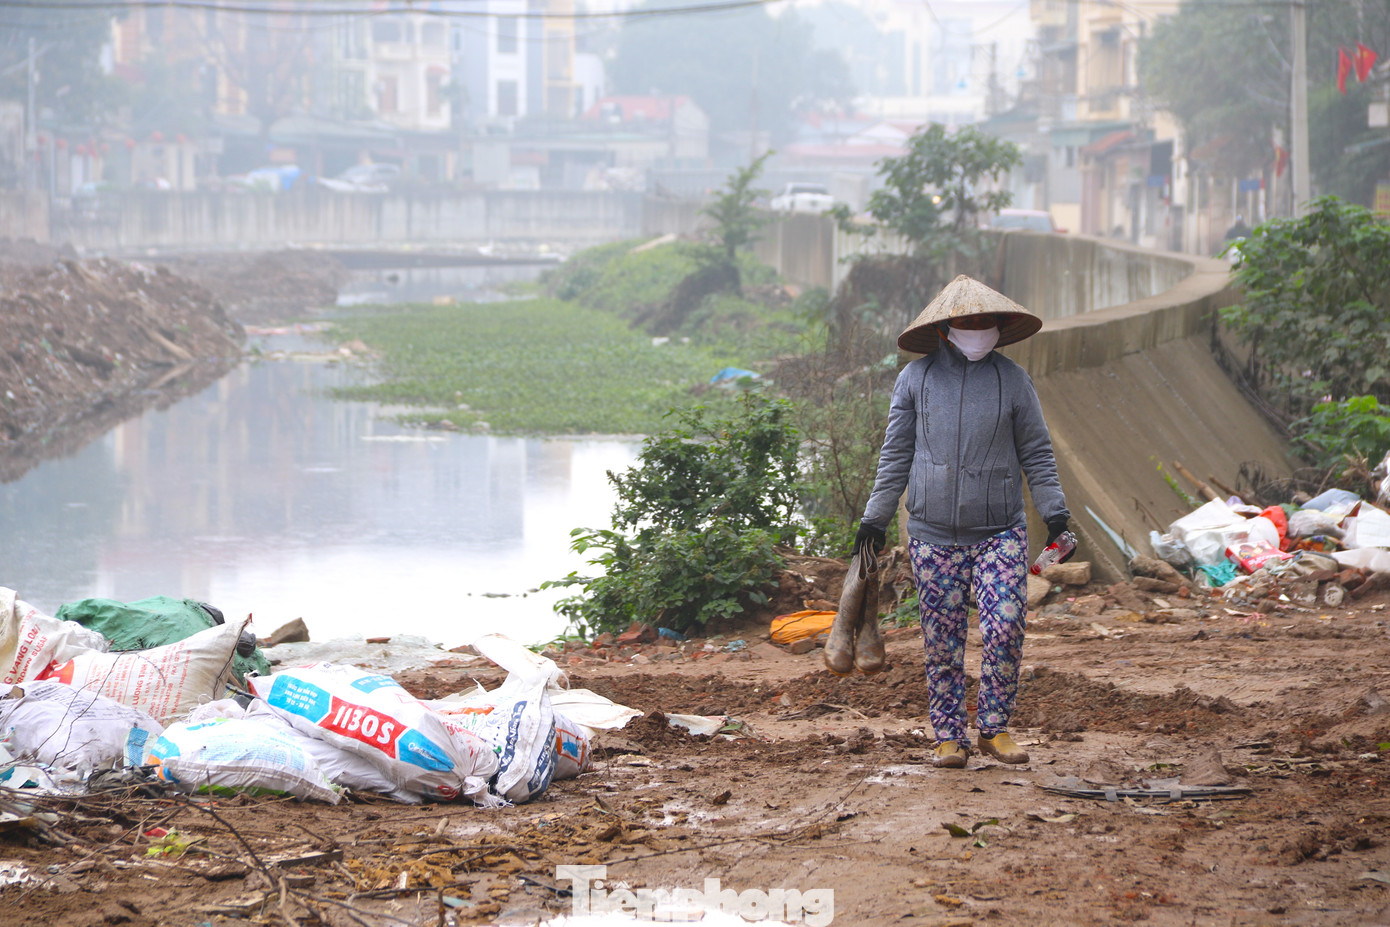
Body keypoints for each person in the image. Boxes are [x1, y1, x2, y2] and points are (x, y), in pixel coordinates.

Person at [853, 275, 1071, 770]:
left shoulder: (1013, 381)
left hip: (1000, 531)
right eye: (968, 322)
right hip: (932, 536)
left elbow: (1036, 452)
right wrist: (874, 520)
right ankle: (948, 736)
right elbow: (896, 455)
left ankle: (994, 728)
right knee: (942, 640)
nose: (978, 329)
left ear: (999, 327)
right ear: (947, 329)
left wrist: (1055, 514)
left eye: (986, 322)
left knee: (1006, 626)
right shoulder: (916, 380)